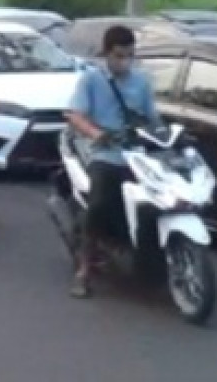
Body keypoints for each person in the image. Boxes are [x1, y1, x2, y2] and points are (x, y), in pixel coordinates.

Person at [64, 24, 162, 298]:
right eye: (119, 55)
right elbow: (74, 115)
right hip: (104, 153)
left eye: (129, 55)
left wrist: (166, 134)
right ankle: (84, 272)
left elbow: (153, 118)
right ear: (107, 53)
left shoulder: (141, 81)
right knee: (98, 205)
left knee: (159, 199)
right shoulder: (91, 80)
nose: (124, 61)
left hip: (137, 154)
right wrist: (96, 133)